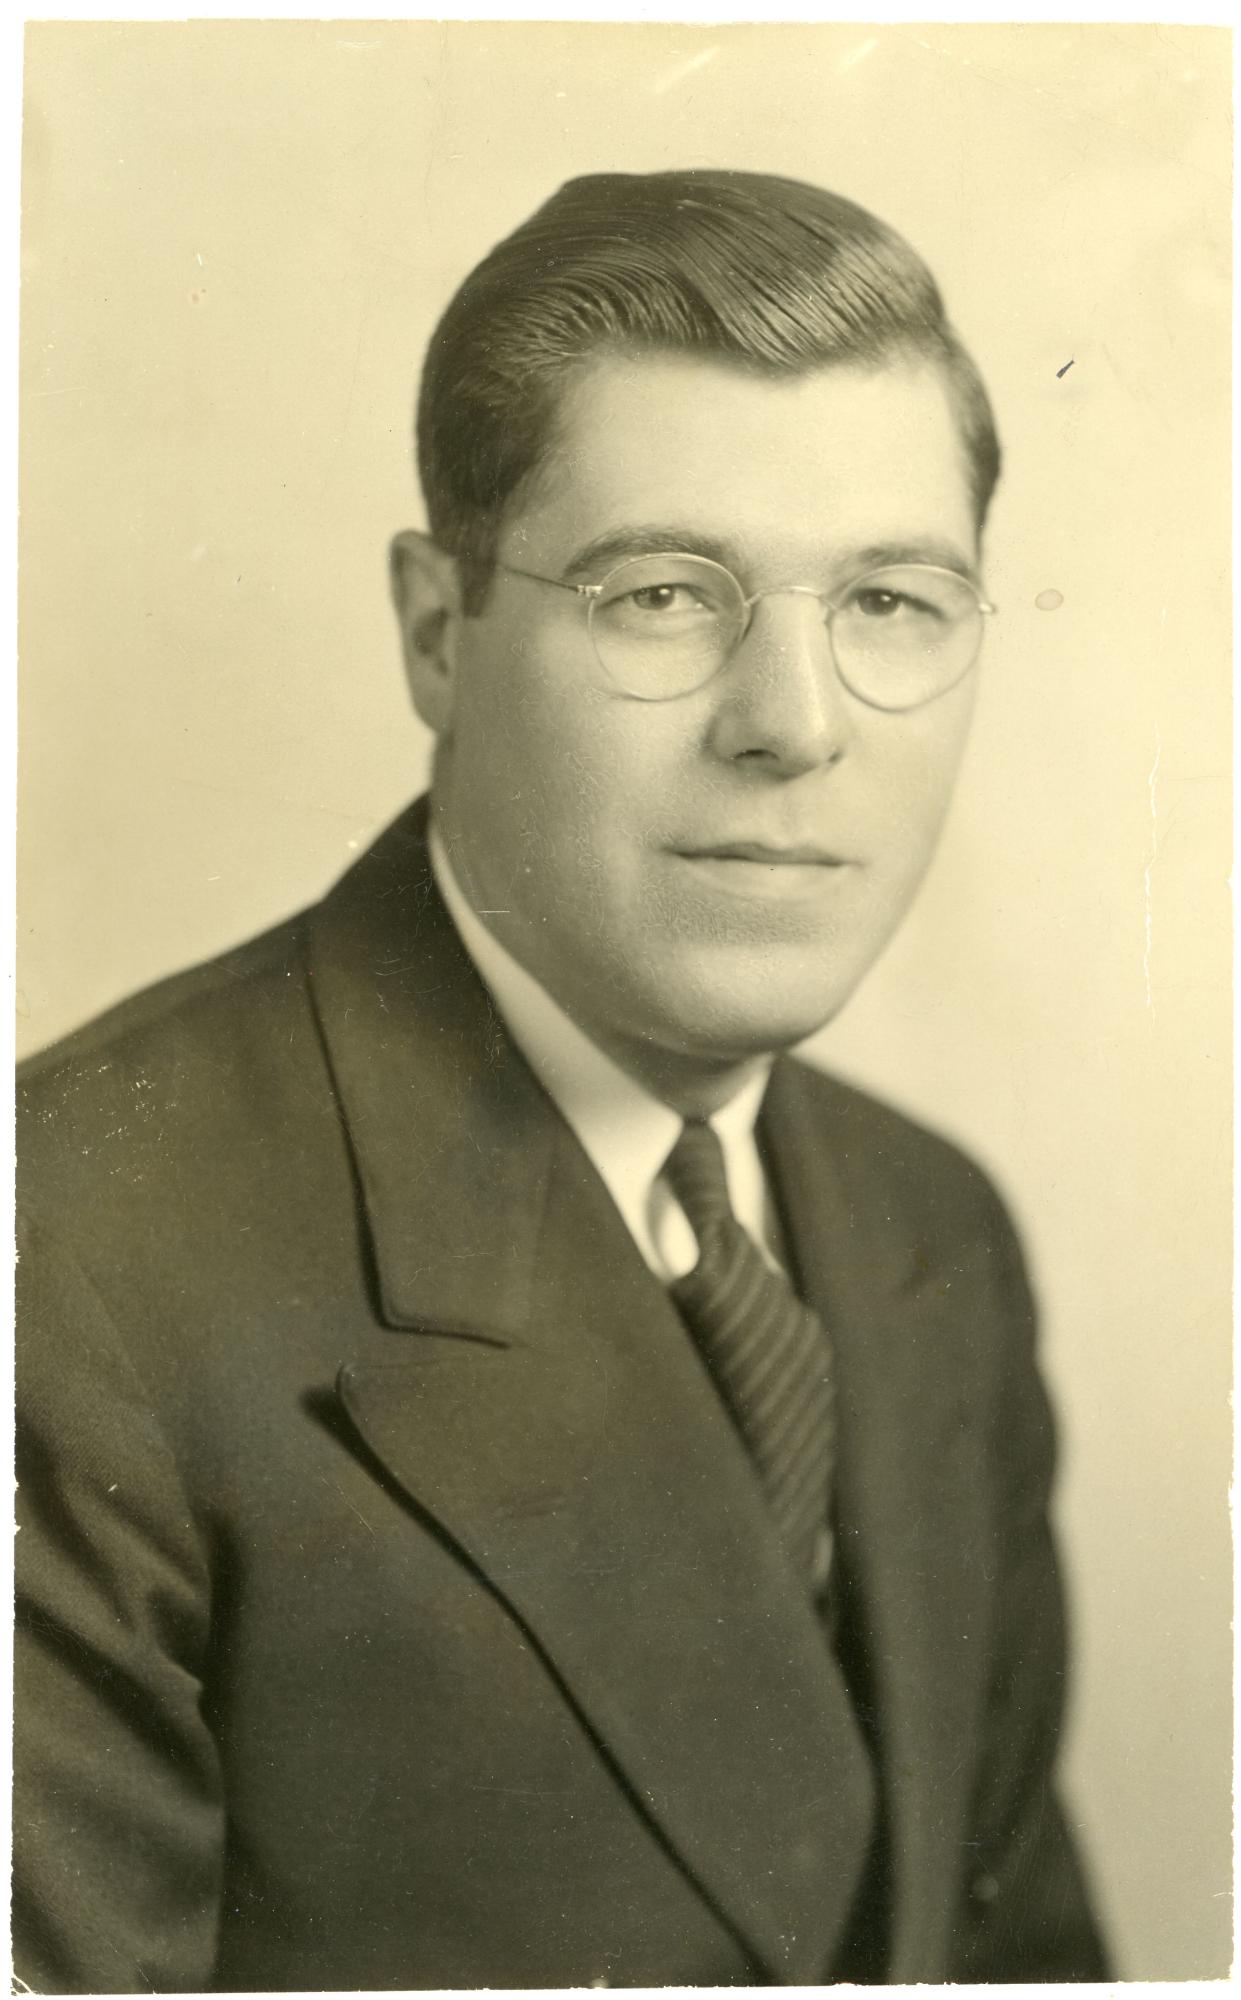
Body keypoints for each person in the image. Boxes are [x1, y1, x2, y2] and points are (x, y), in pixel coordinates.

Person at [14, 169, 1109, 1990]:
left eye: (894, 601)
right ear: (439, 634)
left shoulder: (931, 1235)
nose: (796, 720)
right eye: (665, 592)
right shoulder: (65, 1268)